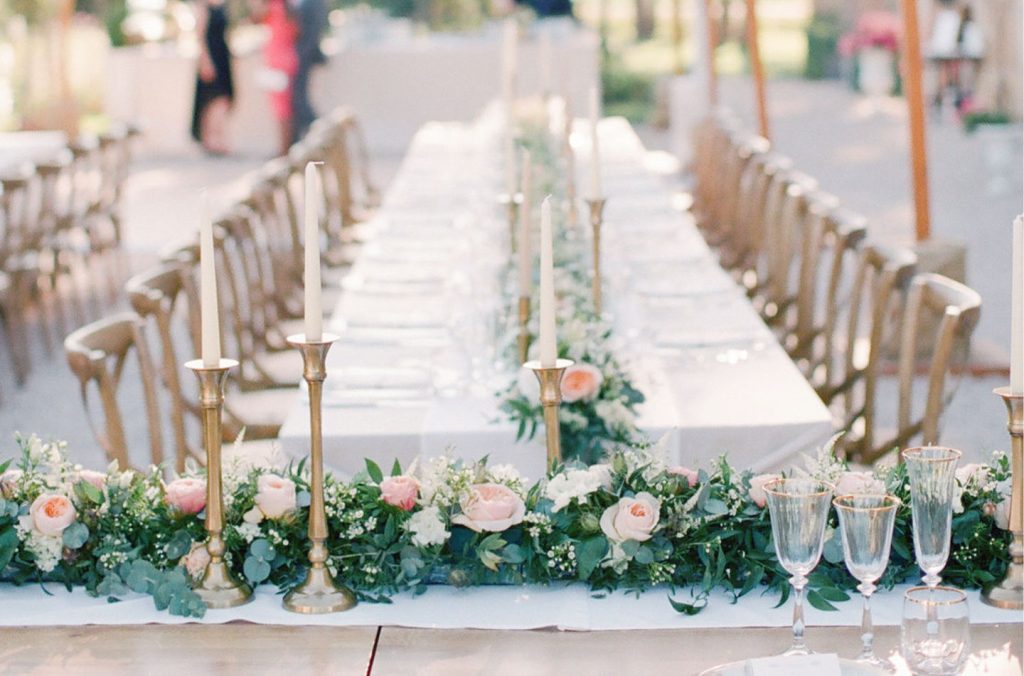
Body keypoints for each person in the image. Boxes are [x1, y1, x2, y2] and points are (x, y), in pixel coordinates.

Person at [252, 0, 299, 155]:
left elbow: (254, 18)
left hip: (277, 63)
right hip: (288, 60)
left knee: (281, 110)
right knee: (285, 109)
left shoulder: (274, 7)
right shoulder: (289, 9)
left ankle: (284, 151)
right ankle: (286, 148)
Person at [191, 0, 234, 154]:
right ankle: (211, 140)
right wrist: (204, 61)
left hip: (222, 56)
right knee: (212, 99)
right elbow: (199, 36)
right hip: (210, 56)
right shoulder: (202, 5)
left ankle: (218, 138)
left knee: (222, 99)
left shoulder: (223, 4)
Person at [290, 0, 329, 144]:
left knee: (300, 100)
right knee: (298, 100)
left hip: (303, 57)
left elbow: (310, 34)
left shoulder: (313, 3)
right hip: (303, 56)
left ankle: (322, 135)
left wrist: (299, 55)